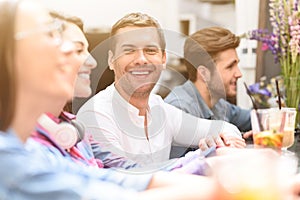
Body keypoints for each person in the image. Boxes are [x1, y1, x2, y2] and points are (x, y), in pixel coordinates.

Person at [0, 1, 221, 199]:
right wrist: (219, 183)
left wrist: (210, 164)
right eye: (50, 36)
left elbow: (106, 178)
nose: (87, 61)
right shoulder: (9, 158)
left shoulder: (51, 139)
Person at [77, 12, 246, 166]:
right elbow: (131, 175)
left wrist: (227, 142)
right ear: (111, 60)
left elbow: (226, 127)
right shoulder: (95, 114)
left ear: (164, 59)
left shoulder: (160, 109)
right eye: (129, 50)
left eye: (150, 50)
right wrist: (200, 159)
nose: (141, 59)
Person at [164, 27, 252, 157]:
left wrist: (245, 137)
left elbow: (251, 118)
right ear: (204, 73)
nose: (238, 74)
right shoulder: (179, 109)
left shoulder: (218, 103)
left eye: (237, 65)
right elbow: (175, 170)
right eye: (230, 67)